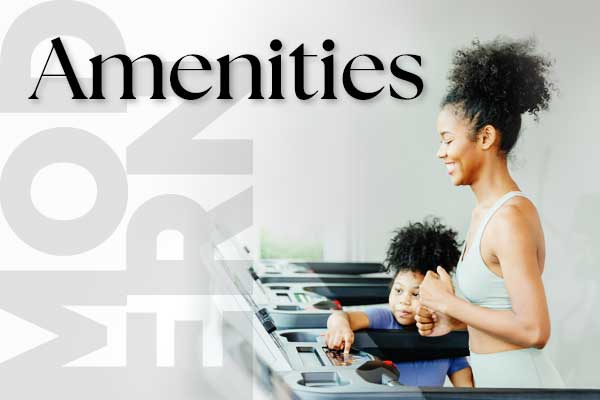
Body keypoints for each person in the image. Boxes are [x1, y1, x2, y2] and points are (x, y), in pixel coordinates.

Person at [416, 37, 564, 388]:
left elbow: (534, 329)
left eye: (448, 139)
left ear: (485, 137)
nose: (441, 152)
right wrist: (454, 323)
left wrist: (451, 305)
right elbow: (501, 314)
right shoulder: (483, 214)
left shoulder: (510, 217)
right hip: (496, 383)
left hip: (525, 386)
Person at [325, 218, 473, 387]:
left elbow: (467, 388)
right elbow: (341, 316)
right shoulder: (383, 318)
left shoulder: (448, 339)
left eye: (416, 294)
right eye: (398, 290)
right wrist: (340, 327)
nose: (404, 301)